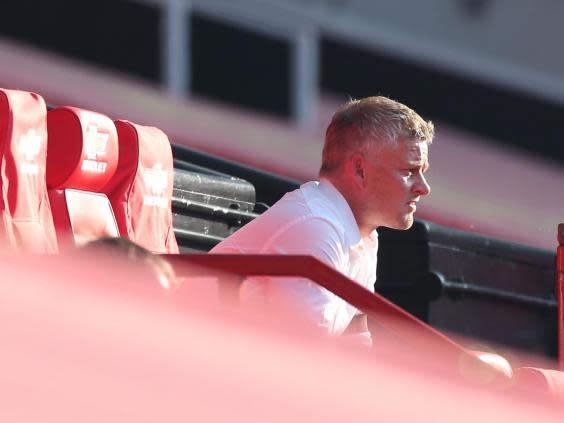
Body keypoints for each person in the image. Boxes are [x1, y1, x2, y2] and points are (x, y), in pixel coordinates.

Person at [210, 96, 434, 343]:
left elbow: (354, 339)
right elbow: (310, 358)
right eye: (409, 171)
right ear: (359, 169)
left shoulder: (361, 231)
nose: (424, 188)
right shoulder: (317, 226)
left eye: (422, 172)